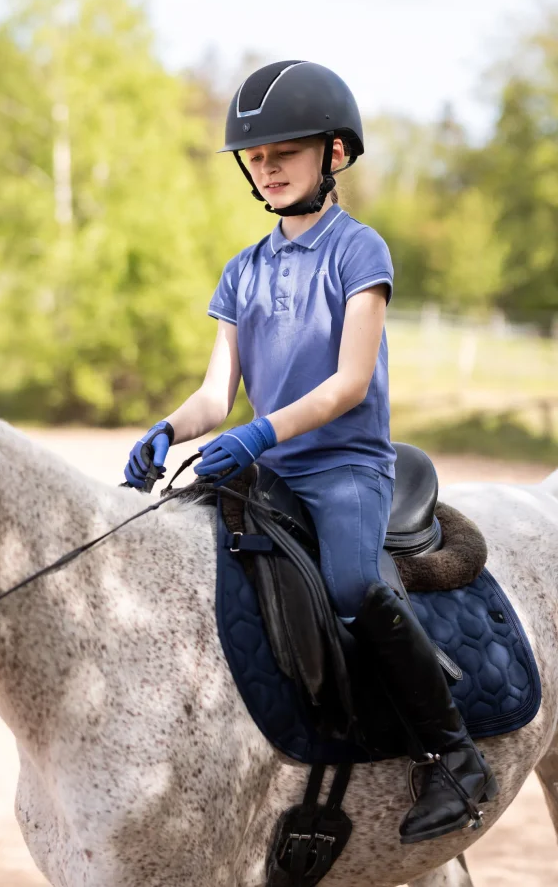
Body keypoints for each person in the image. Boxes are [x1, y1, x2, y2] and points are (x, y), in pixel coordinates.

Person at [123, 60, 497, 844]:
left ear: (333, 154)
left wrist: (258, 433)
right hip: (267, 469)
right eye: (257, 158)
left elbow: (349, 384)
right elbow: (215, 395)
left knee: (355, 585)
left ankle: (453, 754)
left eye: (285, 152)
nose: (269, 168)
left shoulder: (359, 251)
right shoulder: (242, 271)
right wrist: (169, 429)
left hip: (344, 467)